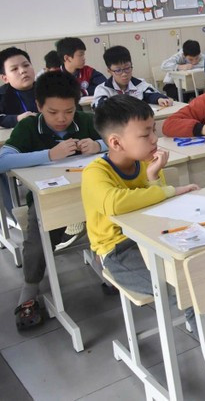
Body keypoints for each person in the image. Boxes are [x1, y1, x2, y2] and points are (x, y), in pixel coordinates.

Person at [83, 95, 205, 367]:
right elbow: (117, 204)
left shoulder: (144, 164)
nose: (154, 139)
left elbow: (157, 202)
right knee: (185, 282)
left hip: (158, 237)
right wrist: (166, 190)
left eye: (153, 129)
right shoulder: (95, 173)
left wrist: (153, 179)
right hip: (119, 252)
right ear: (116, 142)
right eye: (145, 134)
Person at [0, 71, 106, 330]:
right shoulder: (28, 127)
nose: (62, 119)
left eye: (68, 111)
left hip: (94, 192)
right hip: (50, 198)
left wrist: (99, 145)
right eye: (53, 112)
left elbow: (120, 141)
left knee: (111, 217)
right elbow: (3, 160)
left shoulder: (85, 120)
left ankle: (106, 261)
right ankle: (31, 285)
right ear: (38, 107)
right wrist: (49, 154)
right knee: (39, 235)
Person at [93, 46, 172, 109]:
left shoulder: (140, 84)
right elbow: (100, 108)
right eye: (118, 70)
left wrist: (159, 99)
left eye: (127, 68)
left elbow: (151, 94)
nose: (124, 74)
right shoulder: (103, 90)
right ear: (109, 71)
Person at [0, 47, 37, 128]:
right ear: (5, 78)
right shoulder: (2, 95)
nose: (23, 71)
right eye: (14, 69)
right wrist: (17, 118)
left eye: (26, 65)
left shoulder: (49, 89)